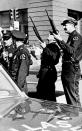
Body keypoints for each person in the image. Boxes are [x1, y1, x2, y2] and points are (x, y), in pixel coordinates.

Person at [53, 17, 82, 106]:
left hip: (72, 68)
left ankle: (77, 117)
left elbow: (71, 51)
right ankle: (73, 114)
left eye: (65, 25)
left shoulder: (76, 36)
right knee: (69, 94)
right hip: (68, 68)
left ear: (72, 25)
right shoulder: (71, 37)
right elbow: (66, 49)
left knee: (72, 95)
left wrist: (61, 40)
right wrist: (58, 40)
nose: (64, 27)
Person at [28, 34, 61, 101]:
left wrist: (45, 48)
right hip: (45, 71)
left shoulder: (54, 47)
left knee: (48, 92)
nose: (48, 35)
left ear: (53, 38)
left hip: (49, 72)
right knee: (41, 91)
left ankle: (52, 109)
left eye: (50, 35)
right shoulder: (49, 46)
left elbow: (53, 58)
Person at [9, 30, 33, 95]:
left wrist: (18, 88)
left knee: (22, 105)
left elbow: (22, 71)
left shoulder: (23, 52)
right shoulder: (18, 51)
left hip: (19, 85)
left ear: (14, 40)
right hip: (15, 82)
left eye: (12, 39)